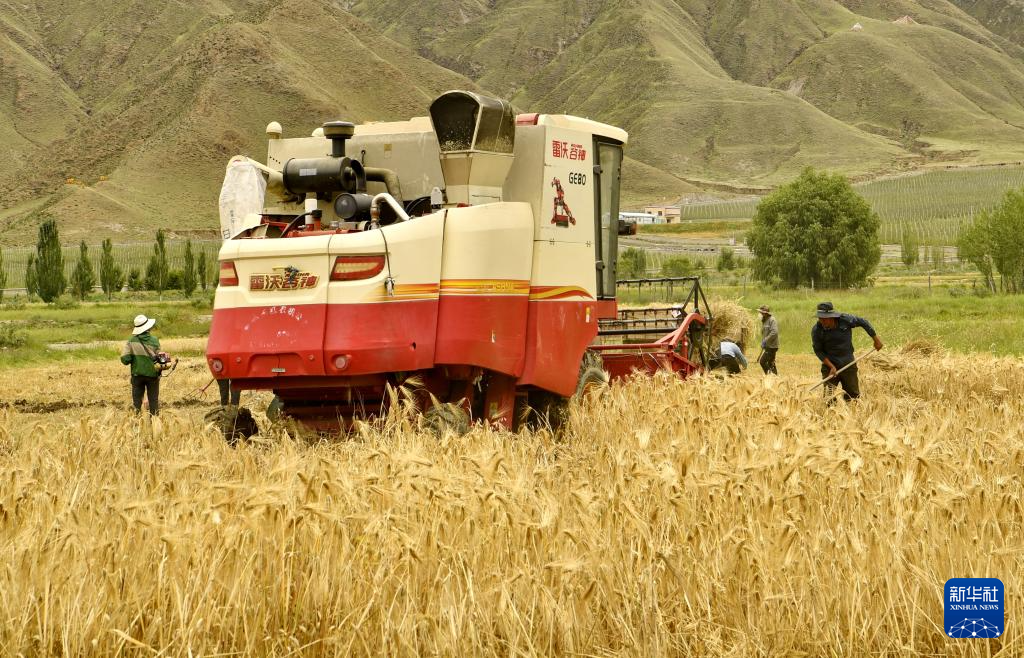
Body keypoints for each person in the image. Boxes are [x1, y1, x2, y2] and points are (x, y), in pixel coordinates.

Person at [811, 302, 883, 401]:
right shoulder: (817, 330)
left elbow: (863, 322)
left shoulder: (845, 320)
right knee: (828, 398)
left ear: (831, 316)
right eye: (820, 318)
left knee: (853, 397)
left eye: (824, 318)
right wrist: (831, 366)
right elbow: (818, 351)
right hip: (829, 365)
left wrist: (876, 339)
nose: (822, 321)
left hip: (848, 363)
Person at [121, 314, 162, 415]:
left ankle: (137, 422)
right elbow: (160, 359)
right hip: (153, 376)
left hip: (137, 376)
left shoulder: (131, 341)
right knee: (153, 402)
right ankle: (155, 422)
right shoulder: (155, 340)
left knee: (137, 404)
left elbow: (125, 359)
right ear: (148, 327)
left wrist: (135, 357)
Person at [758, 305, 779, 374]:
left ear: (765, 313)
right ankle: (775, 376)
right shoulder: (764, 321)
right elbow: (765, 333)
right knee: (771, 363)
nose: (760, 314)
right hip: (768, 346)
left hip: (772, 346)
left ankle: (770, 376)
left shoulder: (772, 320)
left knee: (762, 362)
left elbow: (774, 332)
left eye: (761, 313)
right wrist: (763, 342)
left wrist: (765, 340)